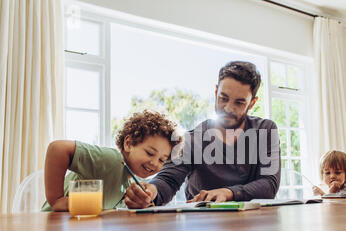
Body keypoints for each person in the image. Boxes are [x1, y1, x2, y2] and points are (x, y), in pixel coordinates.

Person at [124, 61, 281, 208]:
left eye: (239, 103)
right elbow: (168, 180)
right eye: (223, 98)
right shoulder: (192, 139)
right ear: (215, 92)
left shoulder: (265, 130)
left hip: (253, 225)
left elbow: (269, 184)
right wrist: (151, 191)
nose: (228, 108)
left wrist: (228, 193)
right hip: (202, 225)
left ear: (252, 103)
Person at [42, 110, 182, 211]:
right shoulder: (112, 160)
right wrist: (56, 200)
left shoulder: (127, 181)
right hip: (54, 227)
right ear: (128, 144)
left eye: (162, 160)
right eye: (150, 153)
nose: (154, 163)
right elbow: (58, 148)